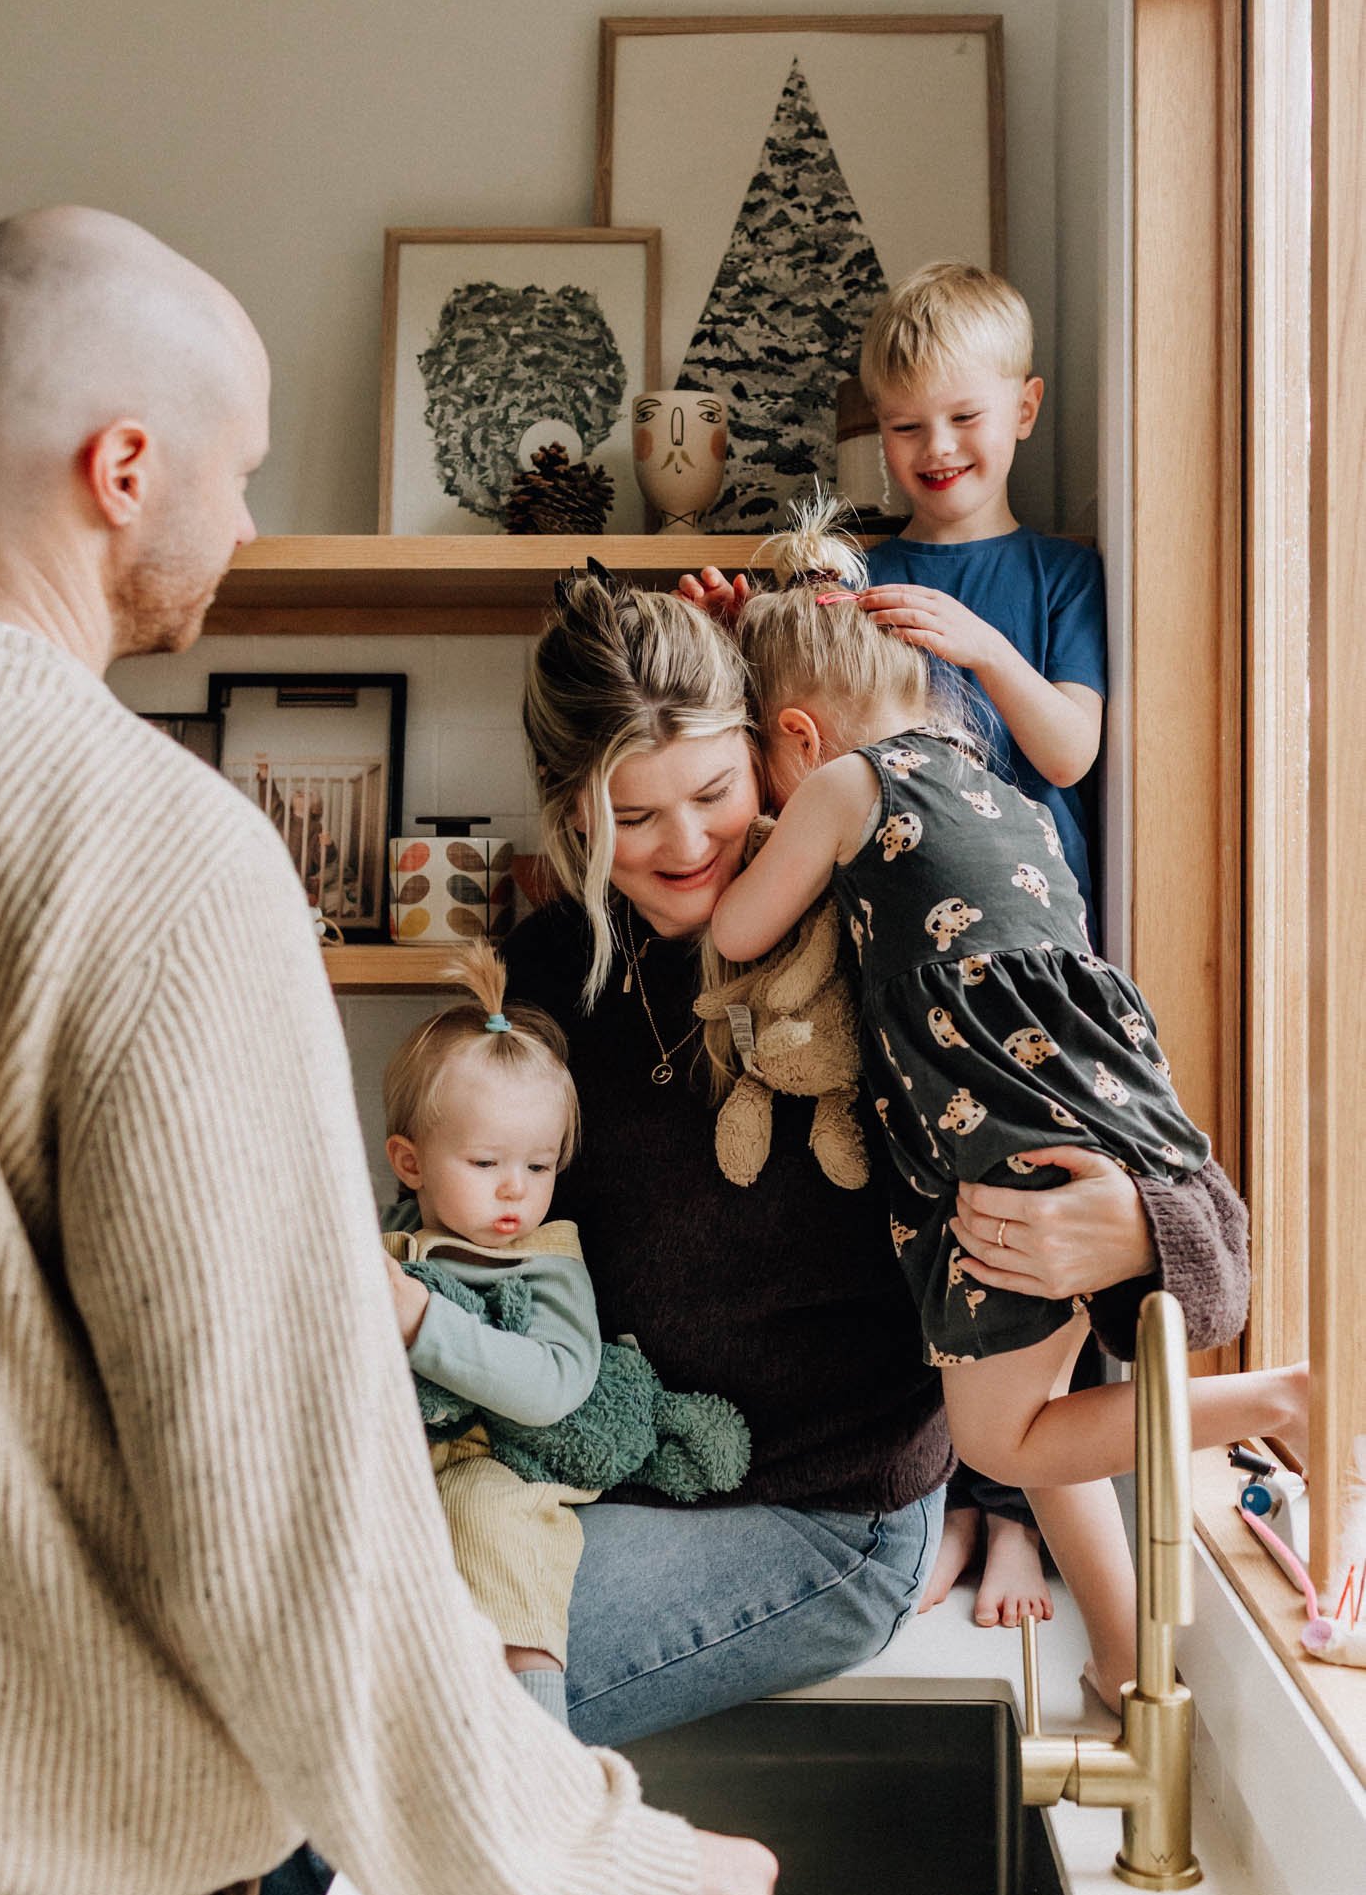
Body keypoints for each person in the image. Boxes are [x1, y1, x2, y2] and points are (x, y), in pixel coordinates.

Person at [0, 205, 775, 1895]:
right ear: (123, 469)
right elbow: (284, 1513)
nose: (251, 524)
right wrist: (602, 1863)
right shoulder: (153, 856)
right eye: (241, 470)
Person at [509, 562, 1257, 1751]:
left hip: (828, 1516)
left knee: (419, 1703)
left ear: (772, 745)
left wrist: (1131, 1224)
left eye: (711, 789)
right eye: (629, 817)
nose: (686, 844)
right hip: (615, 1479)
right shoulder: (553, 963)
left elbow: (1203, 1227)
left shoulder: (890, 920)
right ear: (569, 809)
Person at [708, 499, 1308, 1708]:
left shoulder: (838, 787)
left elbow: (735, 927)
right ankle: (1135, 1663)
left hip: (1003, 1146)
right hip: (1099, 1108)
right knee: (1051, 1419)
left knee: (998, 1438)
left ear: (795, 731)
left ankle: (1278, 1399)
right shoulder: (1003, 795)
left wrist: (779, 825)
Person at [683, 259, 1104, 1634]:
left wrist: (980, 645)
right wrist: (743, 629)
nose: (935, 453)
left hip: (1025, 979)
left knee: (1029, 1239)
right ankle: (952, 1503)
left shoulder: (1053, 575)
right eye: (907, 427)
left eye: (964, 420)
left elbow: (1070, 744)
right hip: (888, 972)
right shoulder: (861, 570)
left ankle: (1018, 1522)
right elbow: (803, 712)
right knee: (923, 1244)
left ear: (1027, 409)